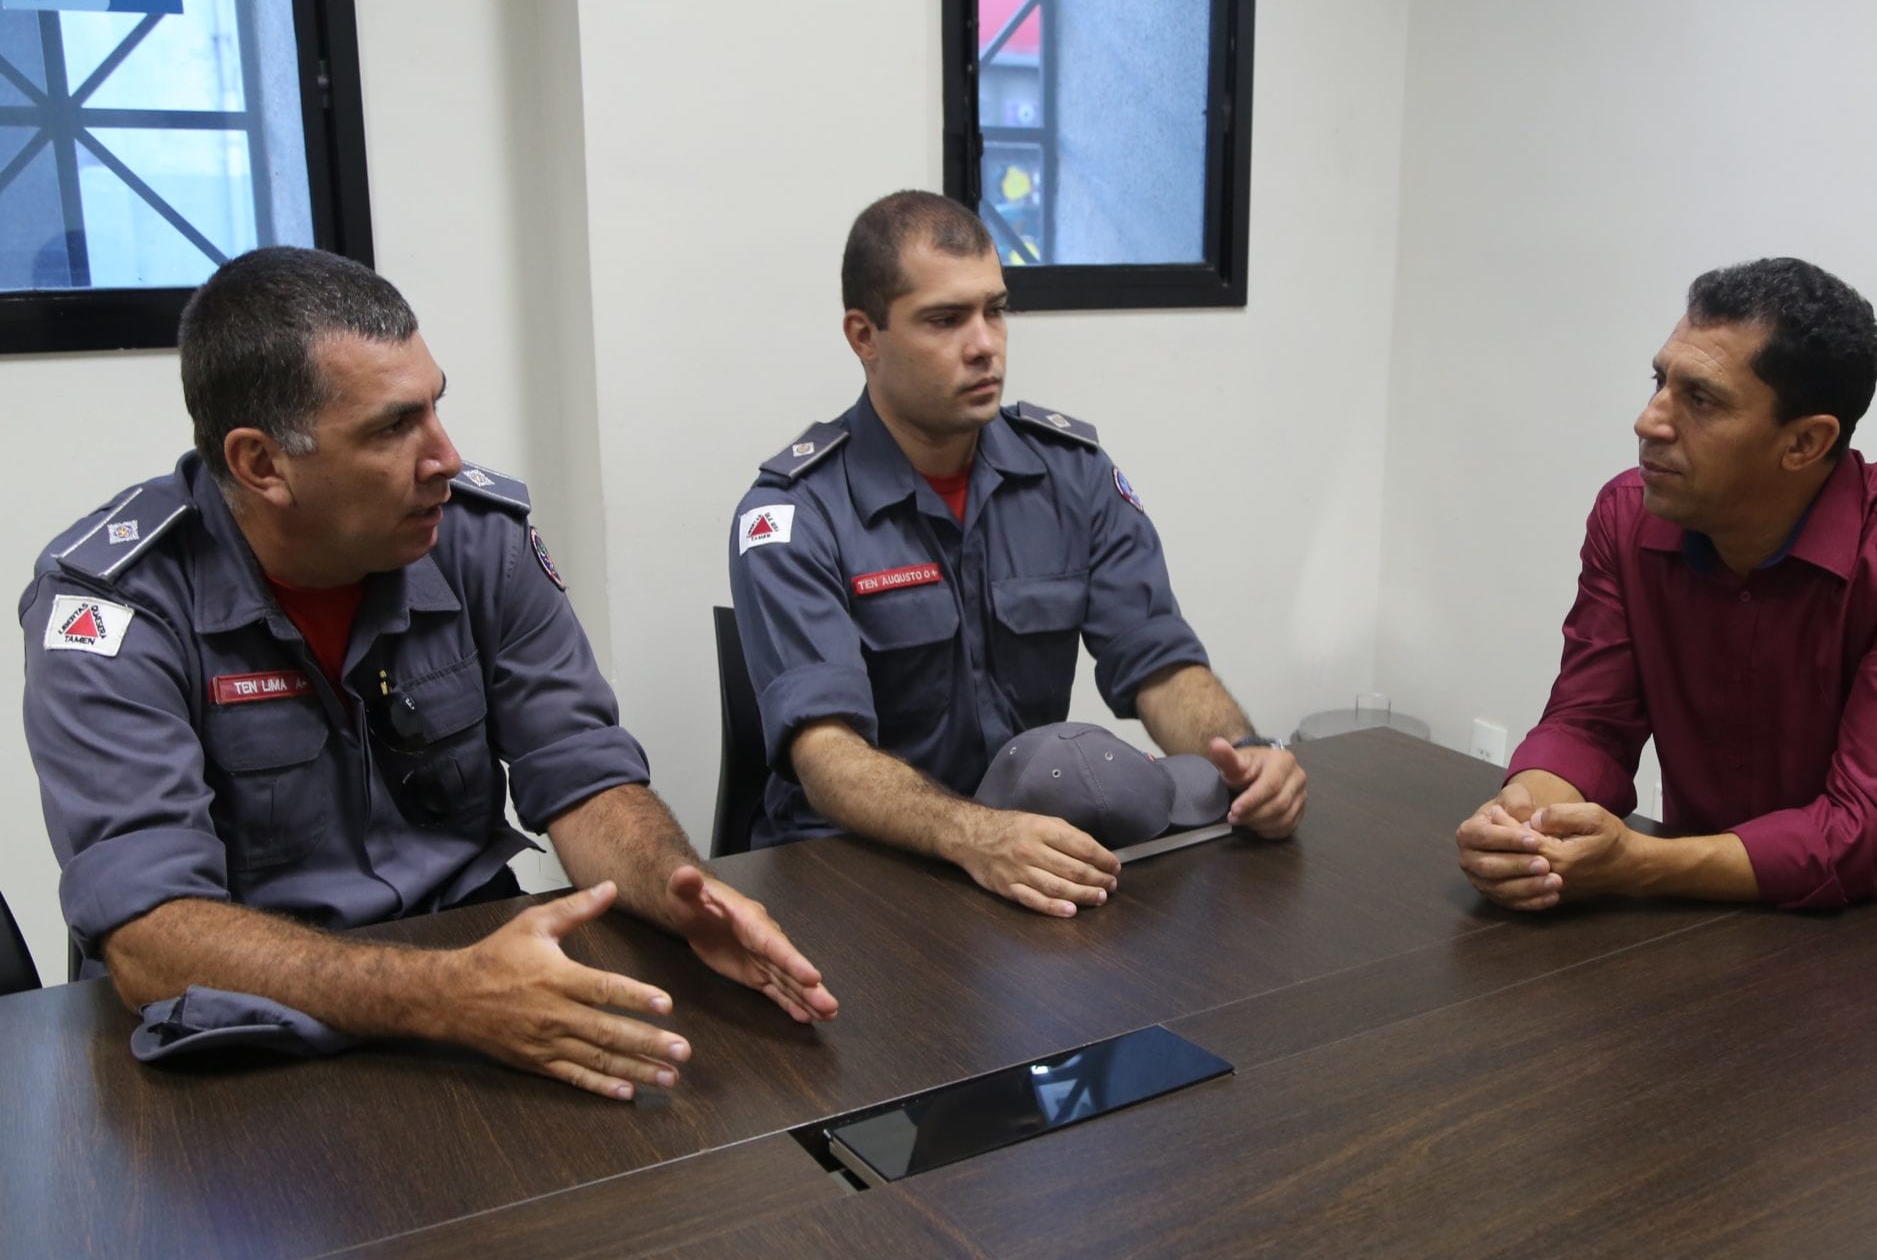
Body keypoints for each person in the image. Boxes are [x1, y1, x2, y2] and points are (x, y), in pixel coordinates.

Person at [20, 246, 836, 1098]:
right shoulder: (112, 607)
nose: (443, 456)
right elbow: (155, 937)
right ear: (262, 464)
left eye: (436, 407)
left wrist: (679, 888)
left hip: (479, 981)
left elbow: (581, 770)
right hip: (248, 1035)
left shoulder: (475, 535)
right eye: (390, 427)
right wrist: (440, 994)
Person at [728, 190, 1307, 918]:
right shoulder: (794, 513)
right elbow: (826, 753)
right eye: (945, 319)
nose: (985, 344)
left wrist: (1248, 756)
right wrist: (974, 835)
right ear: (863, 335)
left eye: (994, 310)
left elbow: (1158, 662)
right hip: (857, 879)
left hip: (1029, 860)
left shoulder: (1072, 474)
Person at [1455, 257, 1877, 925]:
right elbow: (1590, 725)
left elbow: (1863, 832)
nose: (1649, 421)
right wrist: (1525, 823)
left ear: (1805, 441)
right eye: (1660, 381)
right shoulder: (1629, 519)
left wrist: (1636, 862)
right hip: (1700, 902)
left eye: (1701, 399)